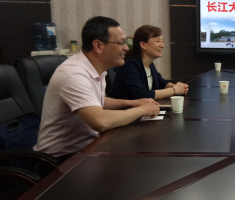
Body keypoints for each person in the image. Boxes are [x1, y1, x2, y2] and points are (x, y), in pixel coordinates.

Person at [34, 17, 160, 161]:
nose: (126, 48)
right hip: (61, 159)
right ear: (98, 45)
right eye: (121, 43)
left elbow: (96, 100)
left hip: (89, 148)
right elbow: (100, 121)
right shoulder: (73, 74)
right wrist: (142, 110)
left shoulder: (97, 69)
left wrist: (133, 103)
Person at [108, 25, 188, 100]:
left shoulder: (148, 63)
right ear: (143, 44)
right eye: (157, 41)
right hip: (122, 109)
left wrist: (177, 86)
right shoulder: (130, 65)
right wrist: (174, 90)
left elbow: (160, 82)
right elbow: (141, 95)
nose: (162, 45)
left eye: (162, 41)